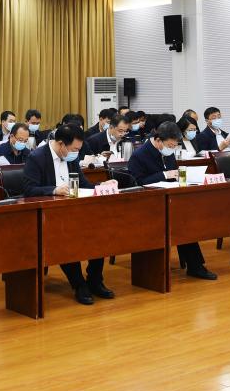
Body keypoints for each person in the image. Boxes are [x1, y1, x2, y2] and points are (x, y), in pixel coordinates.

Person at [23, 124, 112, 305]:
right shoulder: (37, 157)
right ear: (61, 144)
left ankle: (95, 280)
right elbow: (29, 190)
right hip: (50, 215)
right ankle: (79, 284)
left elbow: (83, 184)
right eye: (74, 149)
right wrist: (54, 190)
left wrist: (101, 185)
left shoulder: (70, 157)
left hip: (74, 211)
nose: (76, 154)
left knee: (99, 233)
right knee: (66, 239)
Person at [128, 123, 218, 280]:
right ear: (158, 140)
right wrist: (164, 175)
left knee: (184, 221)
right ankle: (188, 266)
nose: (172, 149)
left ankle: (195, 266)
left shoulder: (168, 152)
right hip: (148, 204)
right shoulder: (139, 155)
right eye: (170, 145)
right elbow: (137, 182)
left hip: (169, 199)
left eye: (175, 146)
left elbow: (173, 174)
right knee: (179, 221)